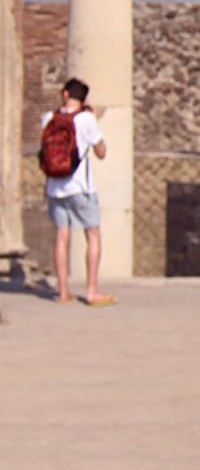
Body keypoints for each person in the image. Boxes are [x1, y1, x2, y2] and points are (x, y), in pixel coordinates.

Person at [40, 77, 113, 307]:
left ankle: (63, 292)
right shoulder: (86, 119)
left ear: (64, 94)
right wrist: (95, 119)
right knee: (93, 234)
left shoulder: (49, 118)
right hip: (81, 186)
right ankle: (91, 290)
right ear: (83, 99)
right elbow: (101, 152)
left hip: (55, 186)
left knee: (62, 236)